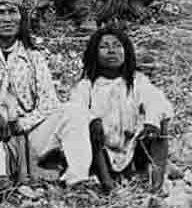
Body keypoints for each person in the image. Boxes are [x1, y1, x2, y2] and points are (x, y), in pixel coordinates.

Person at [0, 0, 95, 201]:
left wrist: (22, 124)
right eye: (0, 12)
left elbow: (49, 101)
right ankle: (0, 186)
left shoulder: (33, 55)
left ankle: (78, 181)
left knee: (73, 112)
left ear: (21, 18)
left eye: (13, 12)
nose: (7, 19)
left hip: (28, 135)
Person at [71, 26, 172, 193]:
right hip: (101, 153)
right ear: (94, 53)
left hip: (131, 149)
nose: (112, 51)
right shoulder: (86, 86)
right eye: (104, 47)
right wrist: (92, 121)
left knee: (161, 119)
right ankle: (107, 185)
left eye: (117, 45)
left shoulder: (137, 81)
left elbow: (156, 100)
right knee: (91, 126)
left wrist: (151, 121)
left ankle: (156, 187)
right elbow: (76, 109)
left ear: (126, 51)